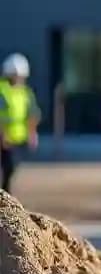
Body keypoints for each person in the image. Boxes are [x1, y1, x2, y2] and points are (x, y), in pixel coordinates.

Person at [0, 53, 41, 195]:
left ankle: (6, 198)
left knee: (10, 169)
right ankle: (5, 198)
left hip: (17, 138)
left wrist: (32, 133)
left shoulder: (25, 92)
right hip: (4, 138)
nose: (19, 79)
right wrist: (3, 135)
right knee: (7, 168)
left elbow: (33, 113)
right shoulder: (2, 90)